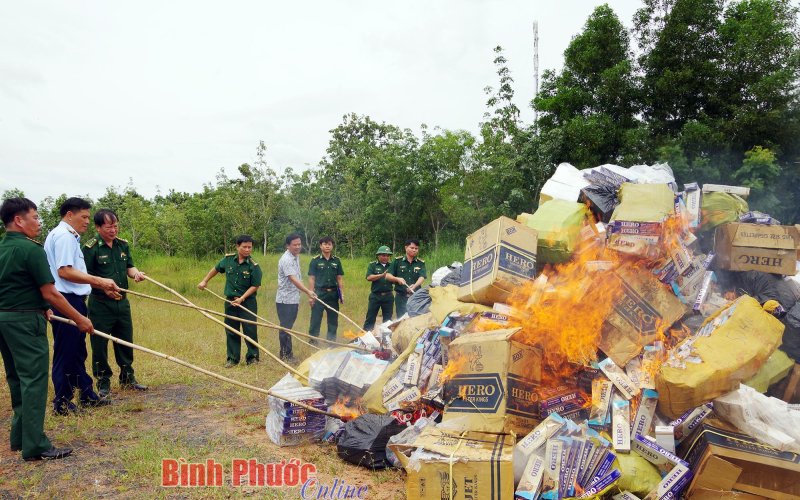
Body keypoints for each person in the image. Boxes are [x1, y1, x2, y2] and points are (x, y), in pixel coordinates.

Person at [0, 197, 94, 460]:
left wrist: (40, 306)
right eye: (35, 217)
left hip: (5, 320)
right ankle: (35, 445)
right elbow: (51, 292)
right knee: (34, 380)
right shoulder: (31, 250)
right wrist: (79, 318)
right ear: (18, 220)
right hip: (25, 323)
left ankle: (20, 437)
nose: (39, 223)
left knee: (16, 378)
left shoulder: (3, 248)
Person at [43, 197, 119, 415]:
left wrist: (98, 285)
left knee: (77, 351)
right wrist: (99, 281)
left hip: (72, 298)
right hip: (66, 299)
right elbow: (65, 271)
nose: (87, 221)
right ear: (70, 215)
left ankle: (86, 394)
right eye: (84, 217)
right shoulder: (64, 236)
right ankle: (62, 402)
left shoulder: (67, 236)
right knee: (66, 351)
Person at [83, 209, 148, 397]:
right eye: (108, 227)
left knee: (126, 340)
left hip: (122, 303)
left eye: (116, 226)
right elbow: (85, 276)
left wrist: (136, 274)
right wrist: (103, 287)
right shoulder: (90, 248)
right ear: (98, 227)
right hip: (100, 304)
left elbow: (129, 267)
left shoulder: (122, 245)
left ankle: (128, 378)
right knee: (100, 344)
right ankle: (103, 381)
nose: (113, 230)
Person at [198, 235, 262, 367]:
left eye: (250, 247)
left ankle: (252, 358)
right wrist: (205, 281)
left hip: (247, 302)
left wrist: (242, 298)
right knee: (231, 329)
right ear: (237, 247)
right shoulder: (228, 260)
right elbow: (216, 269)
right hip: (230, 302)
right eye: (244, 247)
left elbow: (255, 286)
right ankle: (232, 359)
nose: (247, 250)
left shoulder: (254, 266)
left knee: (250, 329)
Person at [276, 233, 317, 361]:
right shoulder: (286, 259)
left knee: (288, 327)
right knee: (286, 328)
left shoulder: (295, 256)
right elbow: (293, 279)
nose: (298, 247)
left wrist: (305, 292)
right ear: (288, 246)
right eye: (295, 245)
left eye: (299, 244)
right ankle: (286, 355)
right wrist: (308, 291)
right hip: (285, 300)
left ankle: (286, 353)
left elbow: (298, 277)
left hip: (293, 298)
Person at [307, 237, 344, 342]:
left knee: (333, 319)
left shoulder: (336, 261)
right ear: (320, 246)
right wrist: (311, 295)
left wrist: (341, 294)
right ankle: (313, 341)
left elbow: (339, 278)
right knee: (316, 319)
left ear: (332, 246)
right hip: (319, 293)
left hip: (333, 294)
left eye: (329, 244)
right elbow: (312, 278)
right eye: (325, 244)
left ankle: (331, 342)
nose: (327, 246)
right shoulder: (315, 260)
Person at [386, 238, 427, 318]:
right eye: (412, 248)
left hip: (415, 297)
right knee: (401, 319)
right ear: (406, 248)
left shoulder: (420, 263)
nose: (414, 250)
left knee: (415, 318)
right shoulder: (398, 261)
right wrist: (397, 279)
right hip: (401, 297)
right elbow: (388, 276)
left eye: (416, 248)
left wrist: (414, 286)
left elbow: (422, 277)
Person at [363, 245, 394, 330]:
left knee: (388, 319)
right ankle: (366, 335)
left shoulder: (392, 266)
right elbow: (369, 277)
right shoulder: (373, 265)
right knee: (370, 317)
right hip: (375, 296)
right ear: (378, 255)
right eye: (383, 255)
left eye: (387, 255)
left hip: (388, 296)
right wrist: (381, 275)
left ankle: (386, 336)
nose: (386, 257)